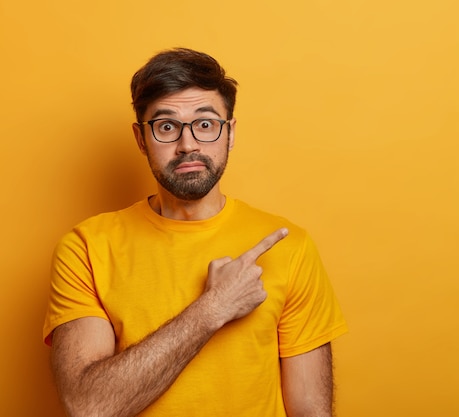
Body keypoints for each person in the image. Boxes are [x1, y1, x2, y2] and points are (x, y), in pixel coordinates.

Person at [43, 48, 348, 417]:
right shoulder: (87, 248)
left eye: (205, 124)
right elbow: (88, 407)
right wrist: (212, 309)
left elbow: (311, 412)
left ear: (230, 133)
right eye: (167, 126)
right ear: (141, 139)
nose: (188, 145)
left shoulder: (289, 247)